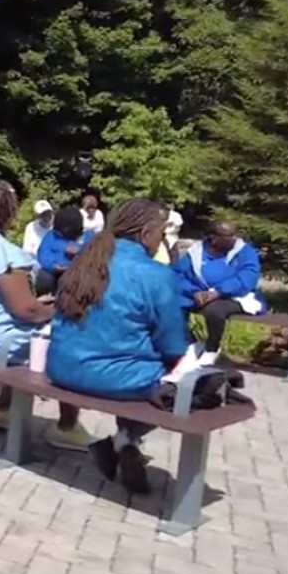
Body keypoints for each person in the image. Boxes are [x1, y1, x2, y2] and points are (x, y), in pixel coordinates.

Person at [47, 199, 185, 493]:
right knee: (184, 382)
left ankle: (125, 442)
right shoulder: (157, 275)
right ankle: (123, 440)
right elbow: (173, 345)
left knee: (135, 363)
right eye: (161, 231)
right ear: (147, 233)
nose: (162, 238)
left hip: (61, 367)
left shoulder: (84, 262)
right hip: (114, 379)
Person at [0, 180, 92, 450]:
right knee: (66, 342)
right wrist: (59, 308)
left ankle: (2, 407)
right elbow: (26, 310)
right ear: (10, 211)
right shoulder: (2, 251)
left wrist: (40, 304)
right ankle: (67, 426)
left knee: (28, 335)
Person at [173, 220, 265, 362]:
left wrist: (219, 292)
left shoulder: (245, 252)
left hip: (236, 296)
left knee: (214, 310)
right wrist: (193, 291)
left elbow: (247, 278)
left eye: (235, 234)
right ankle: (190, 343)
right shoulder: (196, 252)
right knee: (170, 304)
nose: (234, 238)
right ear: (213, 237)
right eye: (228, 236)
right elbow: (177, 275)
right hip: (200, 293)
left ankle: (212, 349)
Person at [35, 206, 93, 296]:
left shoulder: (88, 236)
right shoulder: (51, 236)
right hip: (54, 272)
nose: (66, 230)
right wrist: (53, 266)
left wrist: (79, 251)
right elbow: (43, 254)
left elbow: (95, 256)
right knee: (43, 276)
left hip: (78, 273)